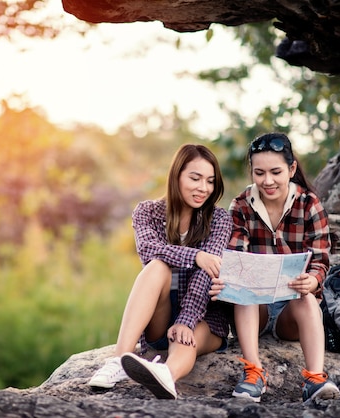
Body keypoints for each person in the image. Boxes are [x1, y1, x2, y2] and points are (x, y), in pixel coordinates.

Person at [88, 143, 232, 400]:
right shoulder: (147, 211)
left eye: (210, 181)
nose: (203, 188)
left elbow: (207, 272)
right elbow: (148, 249)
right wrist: (195, 255)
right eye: (195, 178)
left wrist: (186, 320)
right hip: (160, 318)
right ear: (176, 175)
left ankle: (166, 375)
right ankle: (120, 359)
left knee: (186, 339)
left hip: (203, 317)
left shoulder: (219, 219)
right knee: (157, 265)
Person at [210, 132, 340, 404]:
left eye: (276, 172)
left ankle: (315, 378)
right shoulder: (242, 205)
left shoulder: (309, 204)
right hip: (252, 311)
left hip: (290, 312)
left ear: (291, 169)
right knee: (243, 289)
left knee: (307, 298)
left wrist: (313, 281)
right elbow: (236, 254)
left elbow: (320, 260)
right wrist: (229, 279)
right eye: (259, 173)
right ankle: (253, 373)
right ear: (252, 172)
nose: (267, 181)